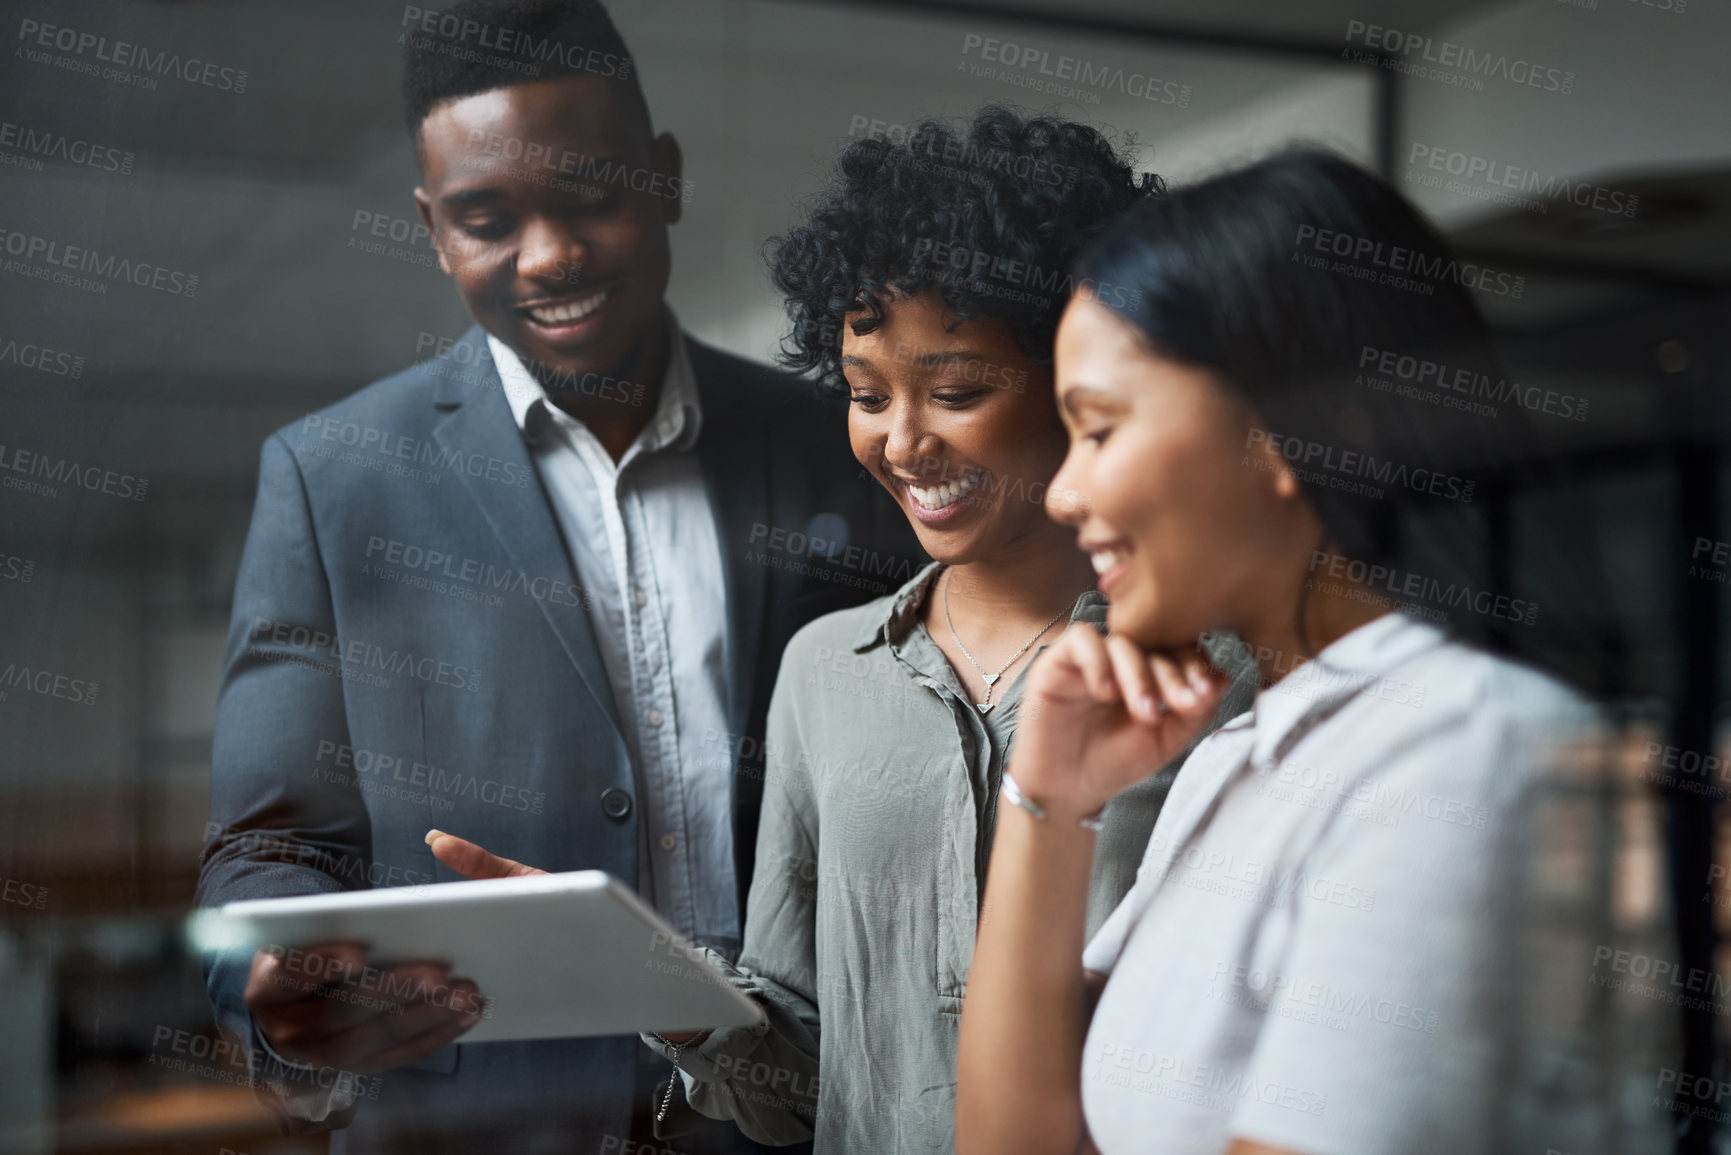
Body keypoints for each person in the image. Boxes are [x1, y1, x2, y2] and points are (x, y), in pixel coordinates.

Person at [436, 107, 1256, 1150]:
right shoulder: (826, 672)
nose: (903, 443)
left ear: (1084, 382)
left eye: (955, 392)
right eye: (868, 396)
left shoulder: (1210, 669)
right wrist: (630, 972)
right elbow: (797, 1082)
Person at [194, 1, 918, 1151]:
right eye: (487, 220)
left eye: (592, 197)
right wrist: (286, 988)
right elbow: (266, 850)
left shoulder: (842, 443)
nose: (550, 255)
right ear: (433, 230)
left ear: (665, 176)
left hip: (800, 1125)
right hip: (470, 1124)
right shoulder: (334, 482)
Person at [954, 149, 1601, 1155]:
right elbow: (1016, 1143)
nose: (1061, 494)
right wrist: (1048, 805)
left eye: (1098, 429)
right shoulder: (1238, 755)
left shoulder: (1466, 753)